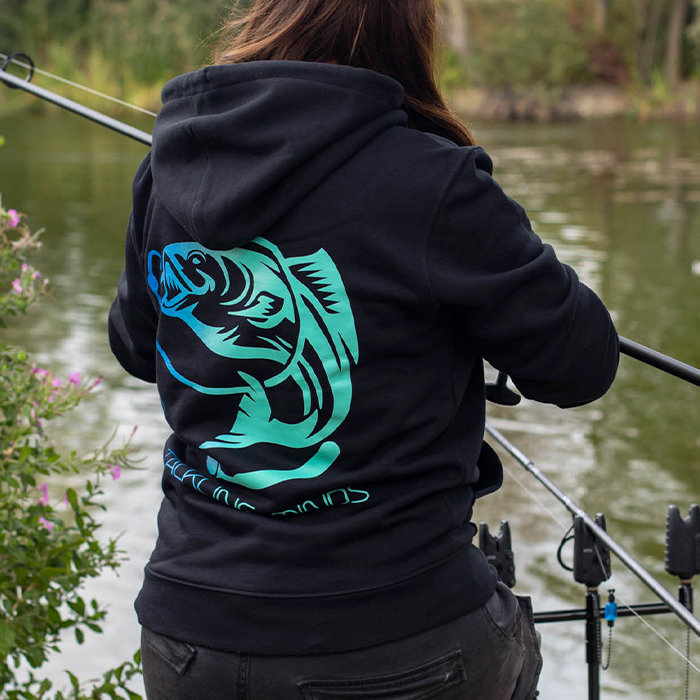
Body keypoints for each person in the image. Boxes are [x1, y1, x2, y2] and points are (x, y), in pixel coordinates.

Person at [108, 1, 619, 698]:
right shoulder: (432, 179)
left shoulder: (165, 169)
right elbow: (584, 365)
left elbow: (137, 348)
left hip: (188, 638)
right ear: (407, 32)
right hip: (400, 637)